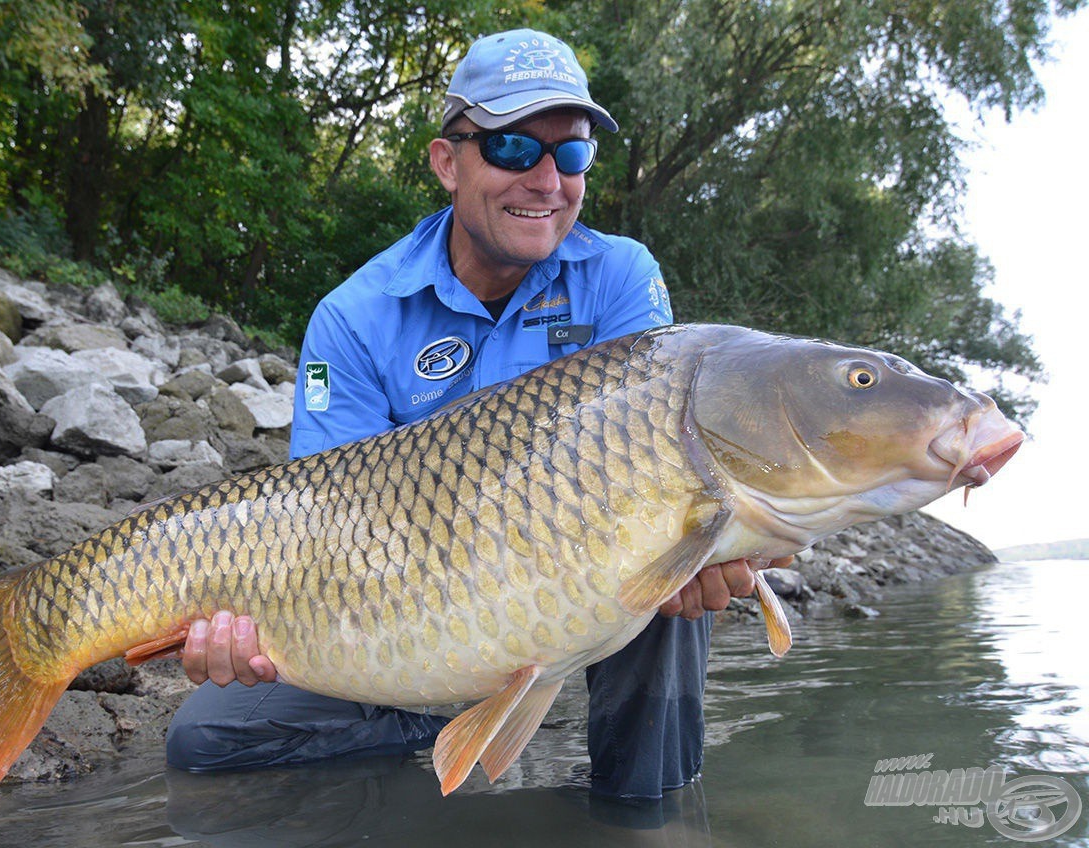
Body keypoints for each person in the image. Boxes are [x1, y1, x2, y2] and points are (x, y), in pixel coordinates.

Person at [166, 27, 760, 801]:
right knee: (205, 741)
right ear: (449, 162)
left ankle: (644, 812)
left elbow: (657, 466)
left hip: (580, 589)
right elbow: (320, 531)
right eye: (515, 149)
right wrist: (248, 625)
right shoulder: (353, 317)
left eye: (571, 154)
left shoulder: (620, 278)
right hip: (401, 610)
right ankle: (435, 715)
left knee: (675, 548)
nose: (547, 180)